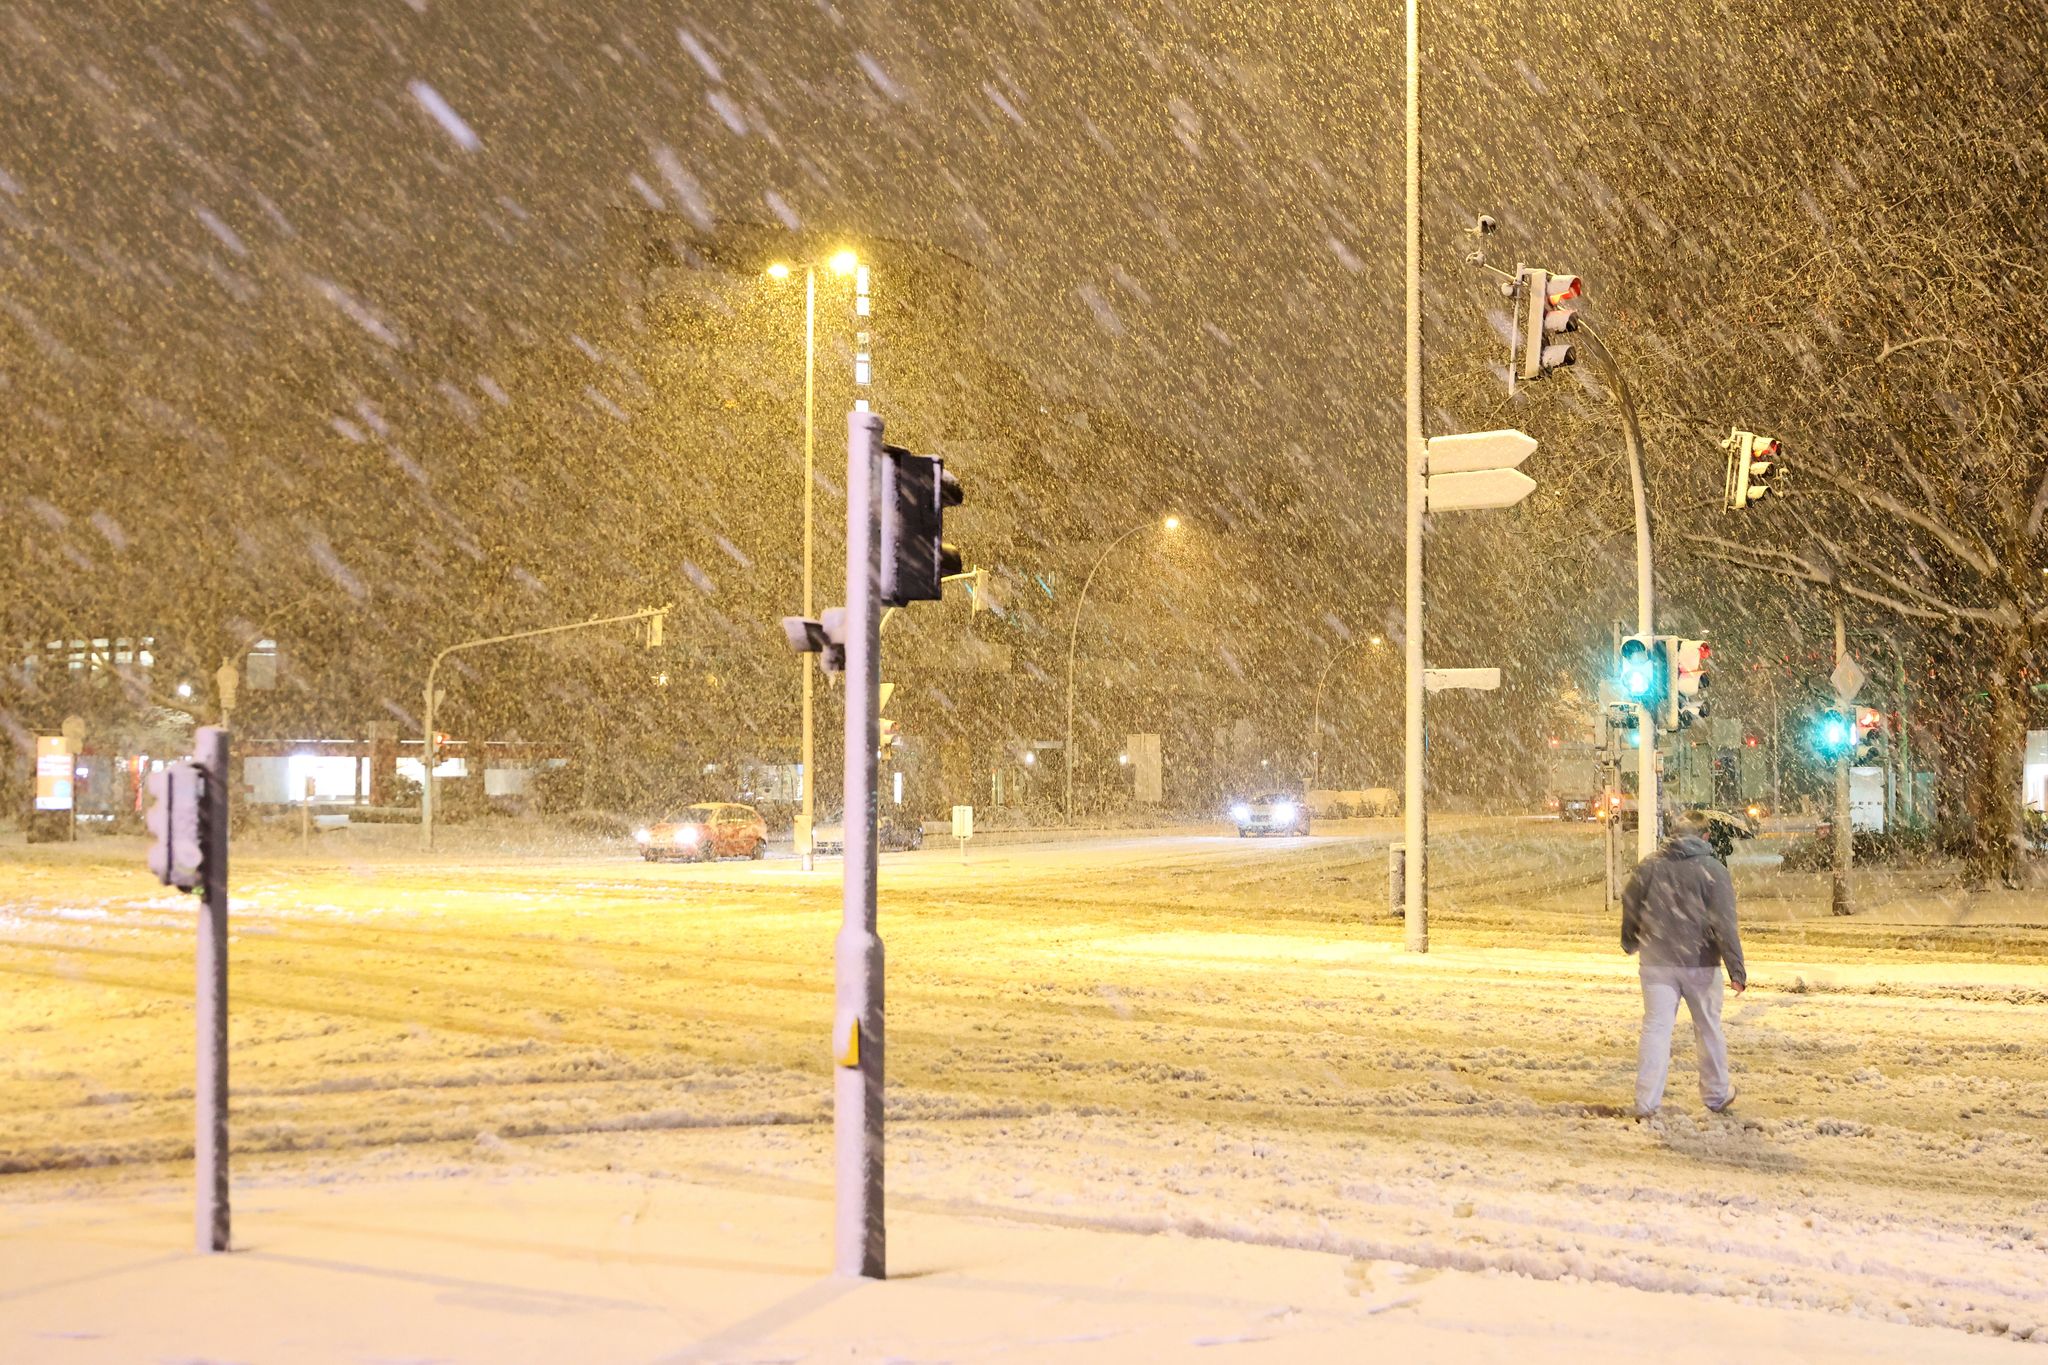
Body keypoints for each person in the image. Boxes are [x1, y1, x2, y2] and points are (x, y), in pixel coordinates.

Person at [1621, 806, 1746, 1118]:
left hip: (1656, 961)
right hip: (1700, 962)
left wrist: (1630, 939)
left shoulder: (1649, 866)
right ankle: (1716, 1094)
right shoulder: (1712, 869)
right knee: (1707, 1028)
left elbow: (1630, 903)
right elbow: (1725, 923)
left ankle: (1646, 1101)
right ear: (1705, 836)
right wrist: (1736, 969)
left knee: (1656, 1029)